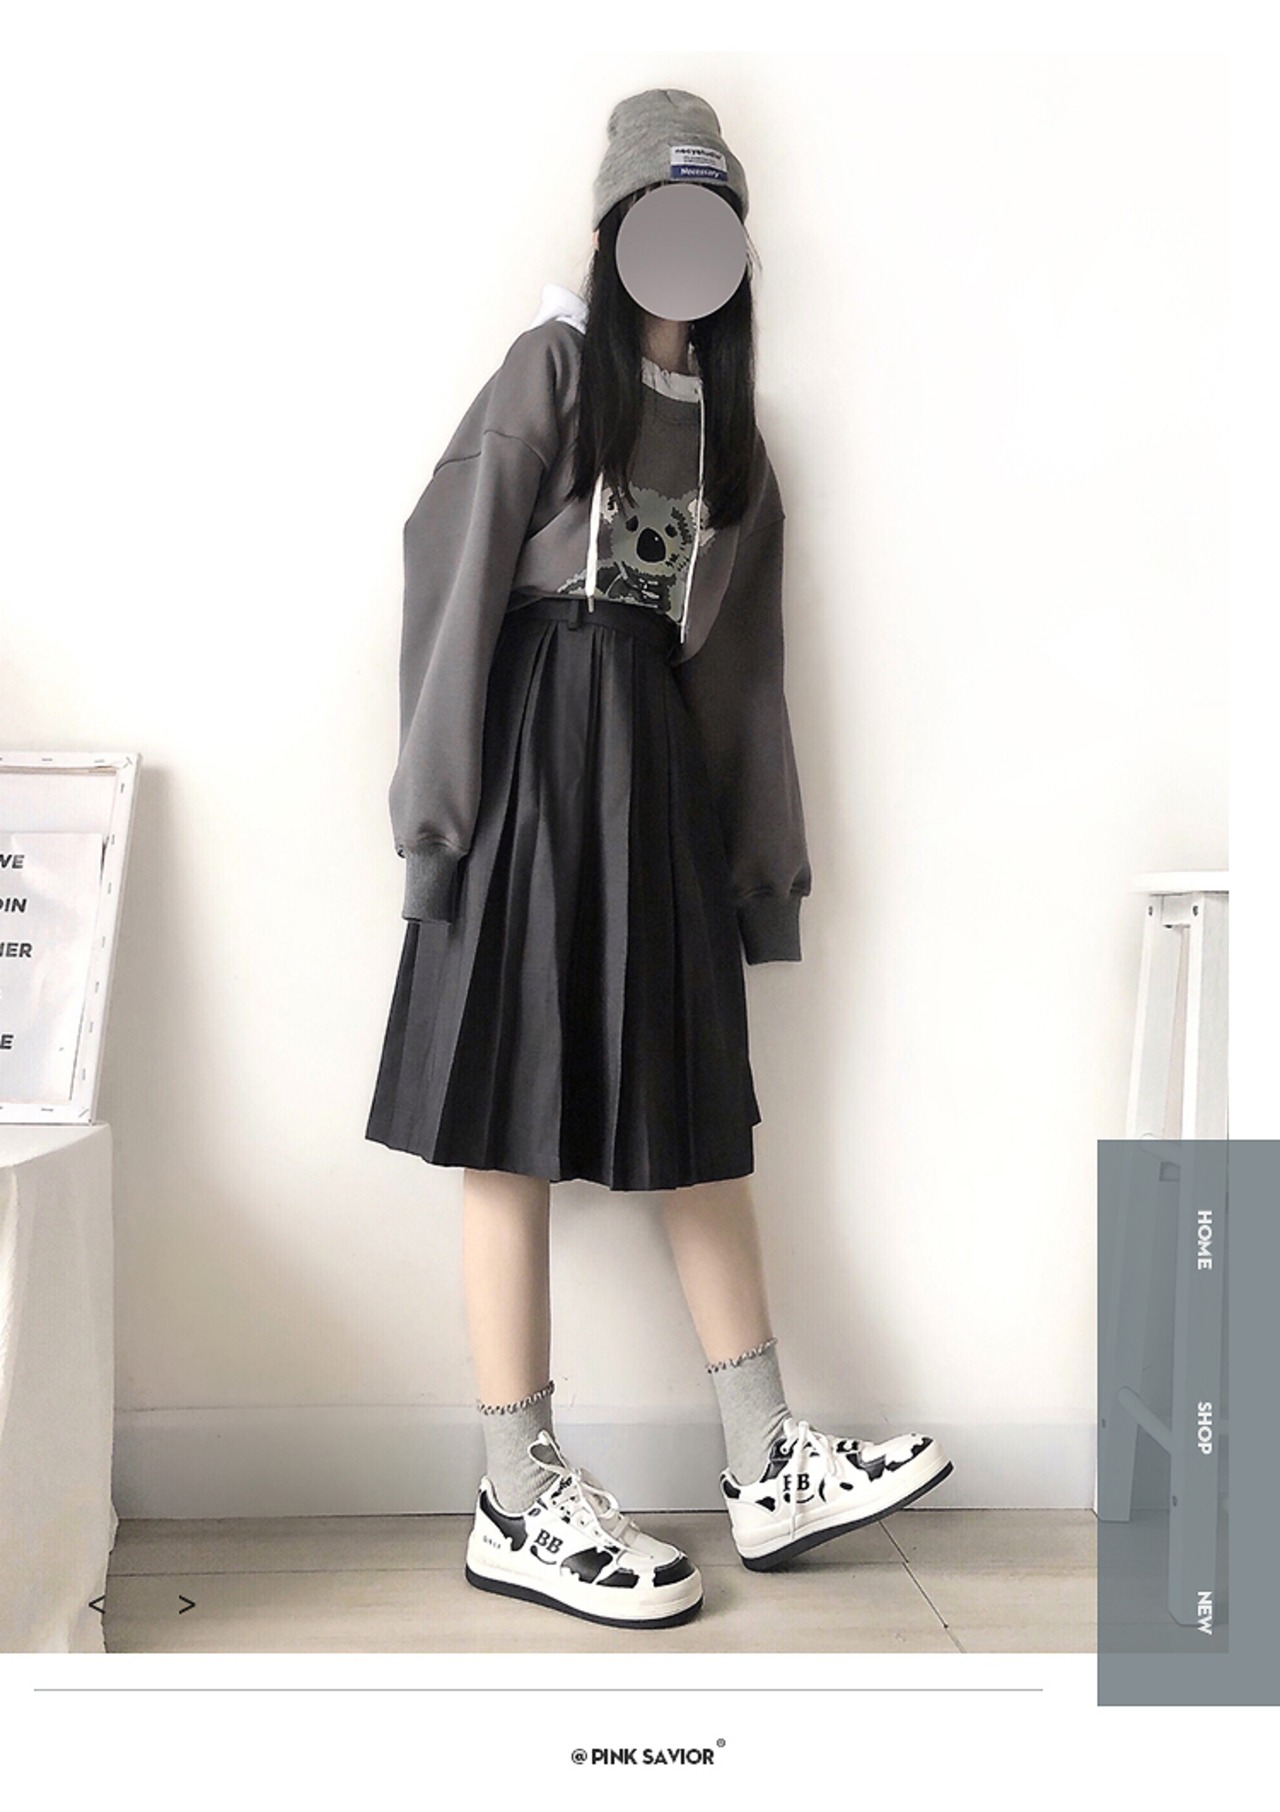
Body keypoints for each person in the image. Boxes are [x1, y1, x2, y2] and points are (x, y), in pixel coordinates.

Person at [366, 89, 952, 1631]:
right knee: (506, 1120)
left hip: (658, 781)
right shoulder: (551, 370)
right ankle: (516, 1487)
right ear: (618, 229)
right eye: (658, 220)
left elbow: (743, 676)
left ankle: (766, 1457)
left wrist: (761, 879)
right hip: (532, 761)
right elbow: (449, 576)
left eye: (711, 226)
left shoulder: (735, 438)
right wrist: (437, 828)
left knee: (693, 1110)